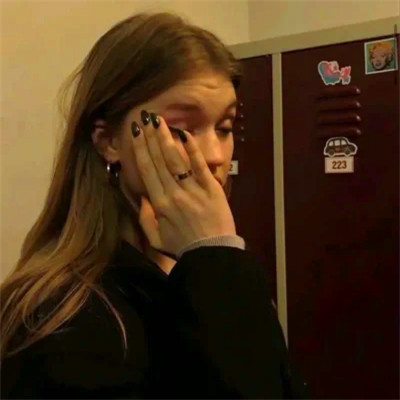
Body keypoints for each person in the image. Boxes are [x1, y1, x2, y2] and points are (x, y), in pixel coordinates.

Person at [0, 12, 309, 399]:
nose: (215, 155)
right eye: (181, 129)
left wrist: (217, 262)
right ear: (109, 141)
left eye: (225, 128)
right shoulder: (59, 317)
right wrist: (215, 256)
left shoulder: (215, 274)